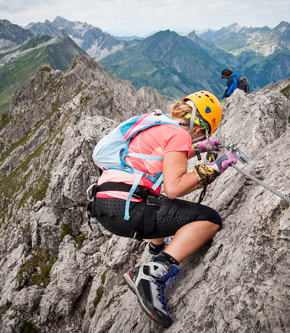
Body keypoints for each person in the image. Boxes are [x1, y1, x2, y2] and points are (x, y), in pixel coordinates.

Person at [91, 91, 237, 328]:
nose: (199, 140)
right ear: (199, 128)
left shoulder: (161, 125)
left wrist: (202, 150)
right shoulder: (180, 134)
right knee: (209, 219)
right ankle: (152, 273)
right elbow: (174, 188)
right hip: (128, 208)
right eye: (203, 137)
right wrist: (214, 168)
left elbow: (169, 155)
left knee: (159, 201)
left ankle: (156, 249)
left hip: (107, 206)